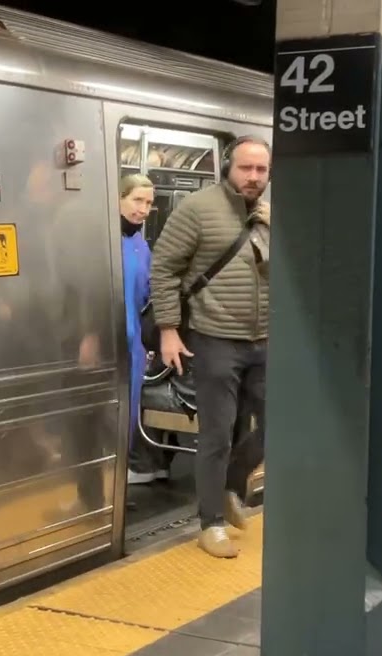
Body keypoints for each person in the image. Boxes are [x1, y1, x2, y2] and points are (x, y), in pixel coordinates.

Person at [150, 136, 270, 559]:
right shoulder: (197, 209)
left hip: (265, 340)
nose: (254, 176)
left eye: (261, 169)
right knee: (217, 433)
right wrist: (168, 330)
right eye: (246, 168)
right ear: (227, 167)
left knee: (282, 423)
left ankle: (232, 484)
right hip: (214, 337)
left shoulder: (270, 214)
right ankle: (211, 523)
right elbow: (164, 269)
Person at [117, 174, 170, 485]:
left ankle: (121, 477)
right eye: (137, 200)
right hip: (107, 338)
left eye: (149, 203)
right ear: (118, 198)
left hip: (134, 342)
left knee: (130, 410)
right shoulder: (103, 241)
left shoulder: (140, 245)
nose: (144, 209)